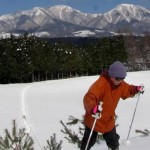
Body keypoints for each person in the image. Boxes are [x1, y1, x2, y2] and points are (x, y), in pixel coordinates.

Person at [80, 61, 144, 150]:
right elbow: (89, 97)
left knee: (113, 142)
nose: (120, 81)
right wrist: (92, 108)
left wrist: (136, 89)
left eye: (122, 78)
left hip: (108, 120)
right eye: (118, 78)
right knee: (88, 142)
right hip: (94, 117)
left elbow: (128, 89)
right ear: (111, 75)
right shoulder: (101, 83)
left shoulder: (120, 84)